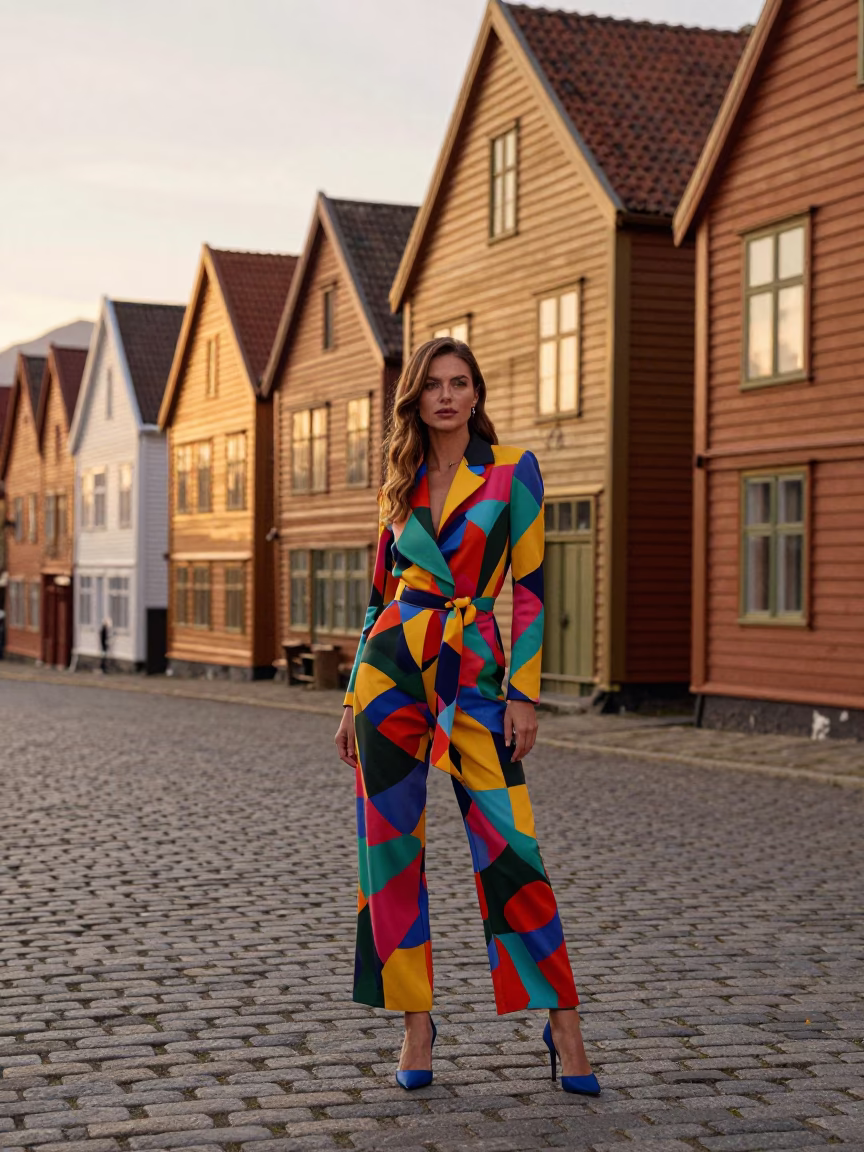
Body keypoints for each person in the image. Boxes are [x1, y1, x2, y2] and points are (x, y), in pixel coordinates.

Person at [335, 337, 599, 1096]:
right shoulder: (399, 483)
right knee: (387, 854)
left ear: (476, 395)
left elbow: (532, 587)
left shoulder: (512, 470)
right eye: (433, 386)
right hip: (391, 672)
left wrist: (524, 692)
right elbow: (377, 599)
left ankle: (563, 1021)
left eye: (460, 384)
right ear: (415, 399)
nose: (446, 397)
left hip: (477, 677)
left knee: (511, 850)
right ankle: (415, 1022)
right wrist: (351, 696)